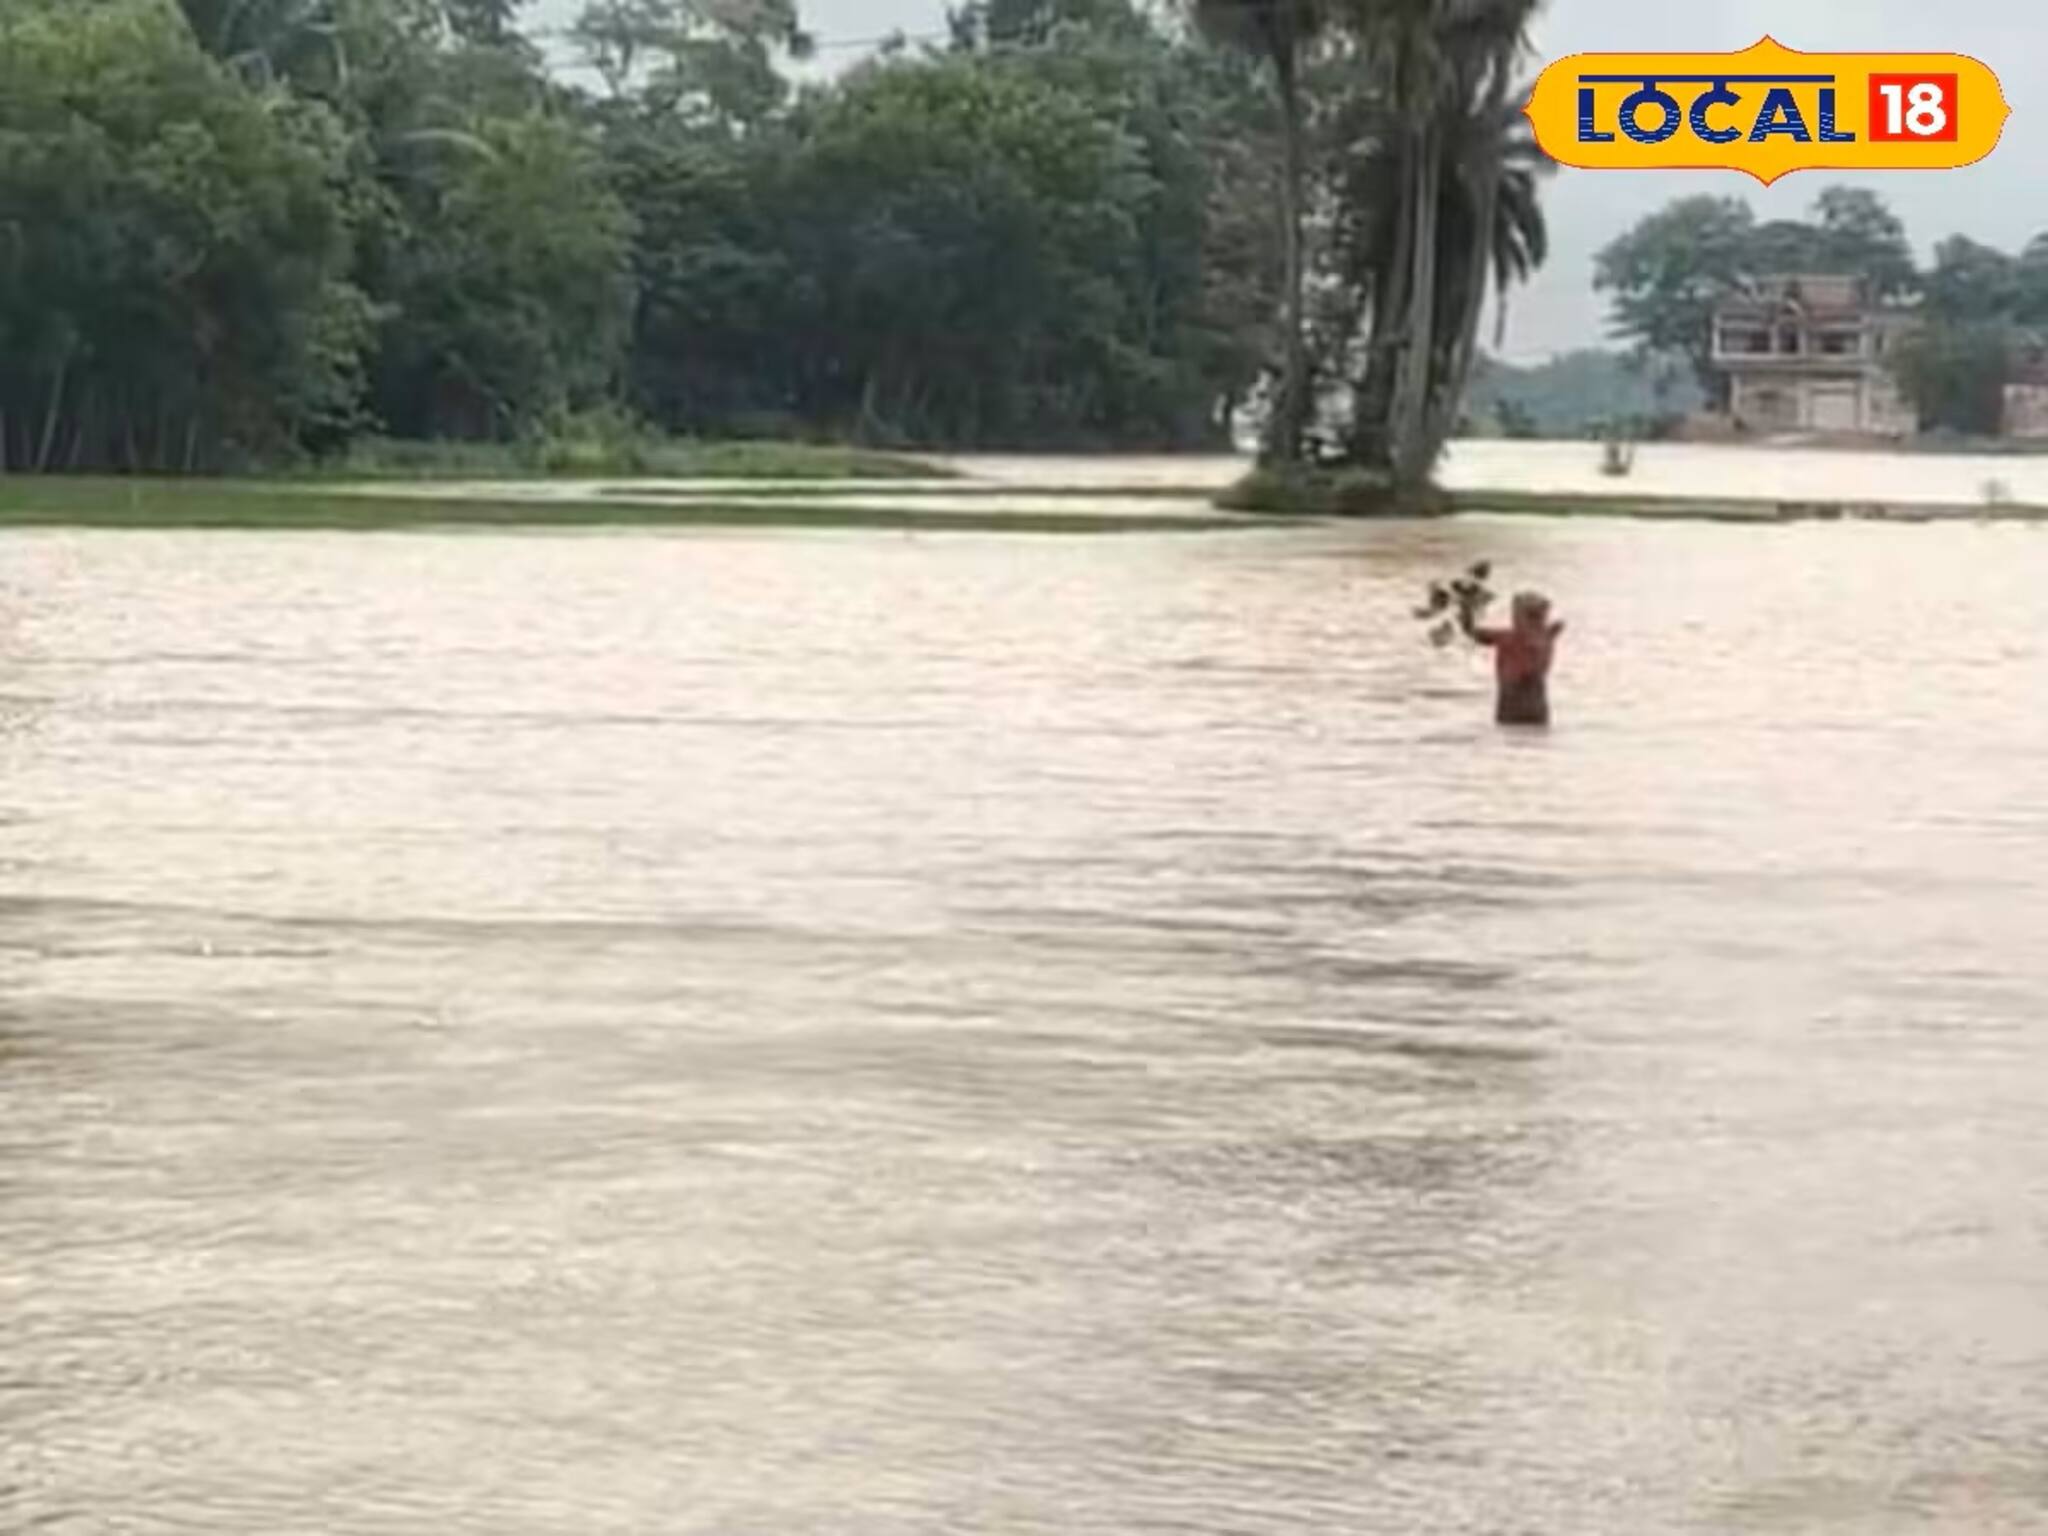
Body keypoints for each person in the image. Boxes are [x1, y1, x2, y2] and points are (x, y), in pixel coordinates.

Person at [1461, 590, 1564, 726]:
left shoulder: (1508, 638)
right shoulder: (1544, 637)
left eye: (1516, 614)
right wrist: (1466, 610)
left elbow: (1471, 632)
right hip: (1534, 709)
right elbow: (1472, 632)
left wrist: (1466, 610)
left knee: (1511, 739)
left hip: (1512, 707)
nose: (1513, 618)